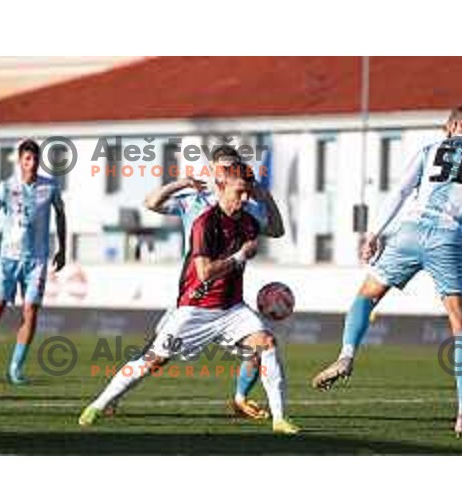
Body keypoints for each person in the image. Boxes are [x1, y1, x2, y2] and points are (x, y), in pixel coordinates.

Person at [312, 103, 462, 441]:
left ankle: (346, 355)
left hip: (409, 232)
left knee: (366, 296)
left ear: (452, 125)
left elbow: (401, 191)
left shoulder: (429, 150)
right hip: (449, 237)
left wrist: (374, 233)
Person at [79, 162, 299, 434]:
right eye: (240, 192)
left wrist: (265, 197)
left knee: (267, 343)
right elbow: (204, 272)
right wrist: (241, 256)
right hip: (196, 309)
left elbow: (276, 229)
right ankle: (98, 405)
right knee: (153, 361)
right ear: (221, 186)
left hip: (232, 309)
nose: (245, 198)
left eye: (248, 192)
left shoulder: (250, 218)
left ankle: (279, 419)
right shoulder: (205, 222)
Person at [141, 144, 284, 420]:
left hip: (229, 300)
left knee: (259, 347)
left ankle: (240, 400)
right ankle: (115, 393)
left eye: (231, 167)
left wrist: (266, 198)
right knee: (158, 356)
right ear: (212, 170)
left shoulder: (247, 204)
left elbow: (277, 230)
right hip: (194, 296)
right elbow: (151, 203)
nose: (225, 171)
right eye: (221, 166)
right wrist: (181, 183)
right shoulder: (195, 198)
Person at [0, 139, 66, 384]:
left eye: (35, 159)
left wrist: (62, 249)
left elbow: (61, 215)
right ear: (20, 161)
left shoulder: (50, 187)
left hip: (37, 260)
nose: (32, 163)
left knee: (31, 310)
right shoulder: (5, 188)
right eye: (27, 159)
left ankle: (15, 368)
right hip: (8, 259)